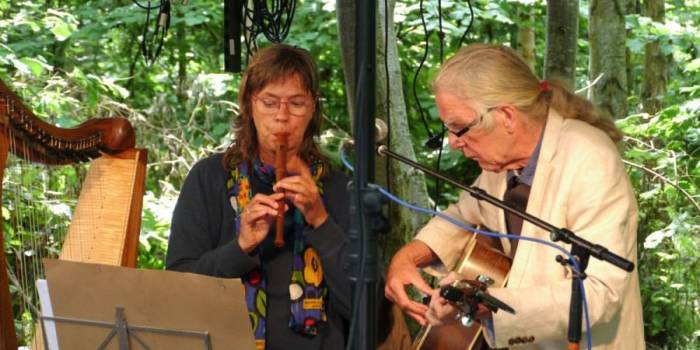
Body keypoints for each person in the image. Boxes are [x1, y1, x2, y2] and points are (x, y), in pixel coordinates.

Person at [385, 43, 645, 349]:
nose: (453, 143)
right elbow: (464, 215)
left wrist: (489, 303)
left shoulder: (589, 158)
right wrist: (408, 257)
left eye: (459, 128)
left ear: (507, 116)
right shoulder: (499, 164)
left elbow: (600, 292)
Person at [166, 44, 351, 350]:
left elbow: (368, 310)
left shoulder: (338, 189)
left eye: (296, 103)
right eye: (269, 102)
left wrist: (320, 220)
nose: (282, 117)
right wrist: (240, 247)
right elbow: (176, 291)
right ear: (249, 105)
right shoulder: (209, 177)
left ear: (313, 110)